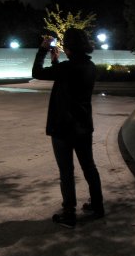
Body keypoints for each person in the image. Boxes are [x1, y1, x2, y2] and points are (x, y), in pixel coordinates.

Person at [32, 28, 104, 228]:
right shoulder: (90, 66)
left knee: (66, 171)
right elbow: (66, 80)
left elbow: (37, 72)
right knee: (89, 167)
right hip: (83, 126)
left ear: (69, 47)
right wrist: (56, 61)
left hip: (63, 128)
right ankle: (98, 206)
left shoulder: (67, 68)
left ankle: (69, 214)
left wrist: (43, 50)